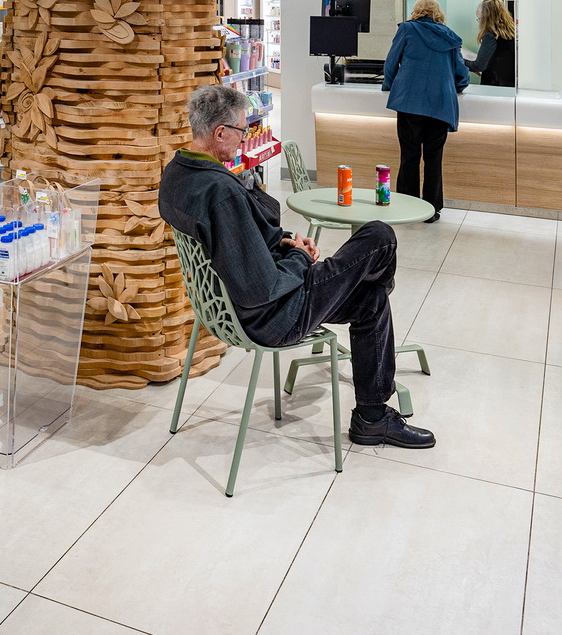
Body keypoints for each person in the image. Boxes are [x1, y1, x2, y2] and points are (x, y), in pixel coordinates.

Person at [159, 84, 434, 448]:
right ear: (220, 133)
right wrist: (299, 257)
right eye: (242, 130)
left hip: (223, 310)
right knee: (379, 237)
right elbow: (261, 288)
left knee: (371, 301)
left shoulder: (177, 174)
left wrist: (286, 242)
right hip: (272, 316)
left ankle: (372, 418)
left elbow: (238, 243)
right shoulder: (220, 192)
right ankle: (372, 411)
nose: (244, 138)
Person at [382, 0, 467, 223]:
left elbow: (391, 62)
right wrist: (457, 87)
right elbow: (461, 72)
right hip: (440, 104)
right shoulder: (449, 36)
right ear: (438, 13)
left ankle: (407, 206)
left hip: (409, 101)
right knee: (433, 158)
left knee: (409, 155)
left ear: (416, 11)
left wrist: (388, 85)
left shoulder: (408, 29)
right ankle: (431, 210)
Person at [467, 0, 518, 87]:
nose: (479, 23)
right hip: (509, 85)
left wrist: (459, 60)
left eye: (480, 19)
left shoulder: (491, 36)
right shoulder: (512, 34)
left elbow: (479, 66)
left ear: (486, 18)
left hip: (493, 86)